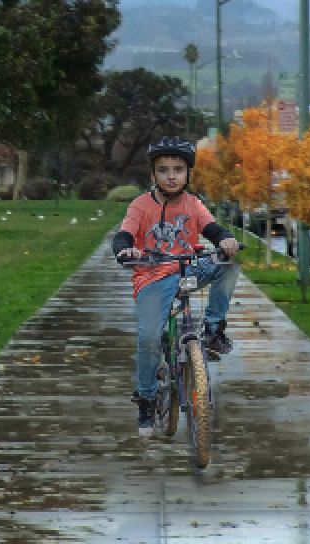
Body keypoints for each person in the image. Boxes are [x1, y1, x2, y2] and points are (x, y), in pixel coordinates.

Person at [113, 136, 240, 436]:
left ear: (188, 173)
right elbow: (124, 235)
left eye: (178, 169)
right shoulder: (141, 205)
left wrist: (225, 239)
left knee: (228, 267)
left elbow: (212, 228)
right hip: (153, 275)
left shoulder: (193, 204)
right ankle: (146, 396)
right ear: (153, 174)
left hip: (188, 266)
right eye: (164, 170)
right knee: (149, 338)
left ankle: (212, 330)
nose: (171, 176)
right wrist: (125, 250)